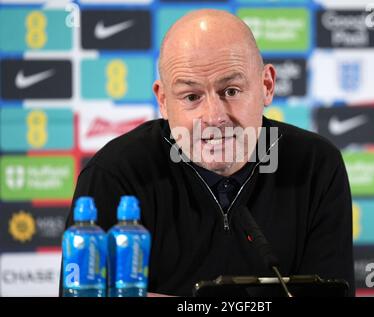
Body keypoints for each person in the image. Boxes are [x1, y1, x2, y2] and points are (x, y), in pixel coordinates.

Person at [63, 9, 355, 296]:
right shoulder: (115, 174)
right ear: (163, 101)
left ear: (266, 85)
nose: (214, 117)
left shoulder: (316, 165)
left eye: (231, 91)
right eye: (192, 97)